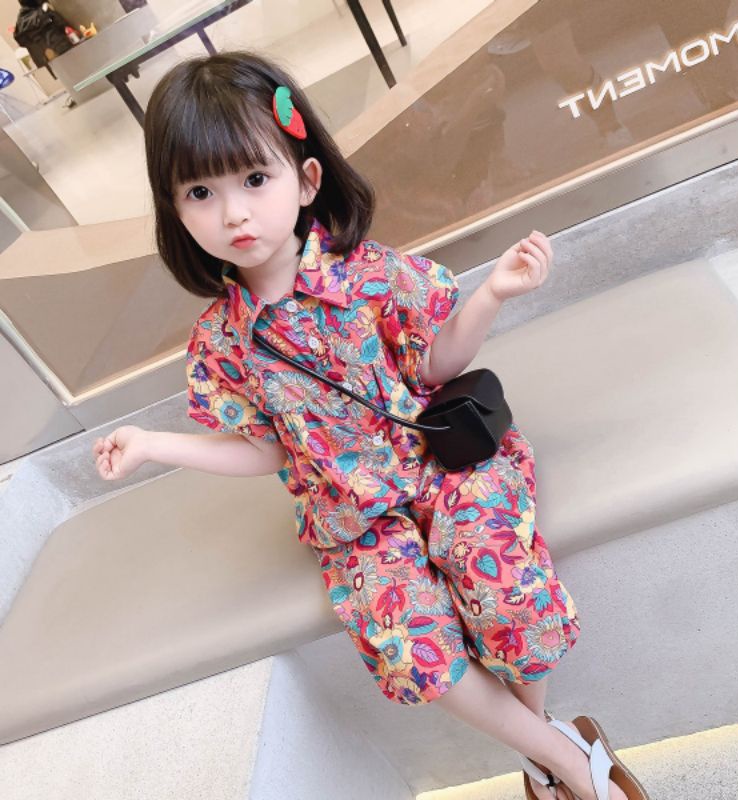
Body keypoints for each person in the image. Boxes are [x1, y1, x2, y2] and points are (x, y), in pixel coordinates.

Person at [91, 50, 648, 800]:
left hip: (442, 466)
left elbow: (434, 364)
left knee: (507, 592)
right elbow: (264, 451)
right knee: (414, 648)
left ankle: (552, 762)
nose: (233, 214)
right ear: (175, 210)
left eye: (254, 179)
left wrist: (491, 294)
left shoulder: (369, 272)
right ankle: (568, 760)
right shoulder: (219, 345)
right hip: (353, 519)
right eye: (200, 191)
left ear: (305, 179)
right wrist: (154, 445)